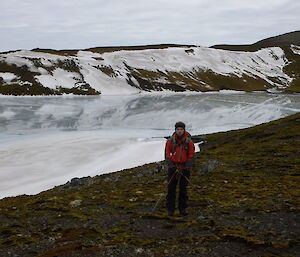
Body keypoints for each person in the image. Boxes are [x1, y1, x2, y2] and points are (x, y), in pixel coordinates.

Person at [164, 121, 195, 216]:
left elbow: (191, 155)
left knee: (183, 189)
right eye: (178, 129)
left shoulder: (188, 141)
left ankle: (182, 210)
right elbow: (167, 153)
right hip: (173, 168)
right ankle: (170, 210)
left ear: (184, 130)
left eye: (181, 129)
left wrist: (187, 166)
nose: (179, 131)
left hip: (184, 168)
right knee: (171, 188)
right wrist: (171, 165)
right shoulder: (170, 141)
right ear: (175, 130)